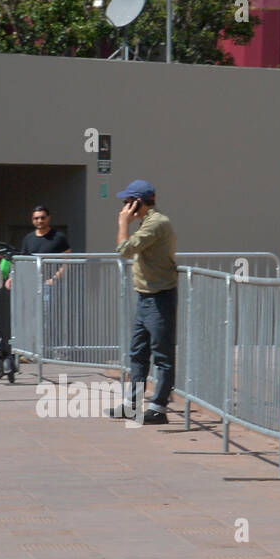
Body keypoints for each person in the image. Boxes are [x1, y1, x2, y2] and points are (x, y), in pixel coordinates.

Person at [107, 180, 177, 425]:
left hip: (160, 297)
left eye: (128, 202)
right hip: (145, 297)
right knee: (138, 353)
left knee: (162, 355)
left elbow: (124, 249)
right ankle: (133, 405)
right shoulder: (147, 223)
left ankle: (158, 408)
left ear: (140, 202)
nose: (125, 207)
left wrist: (122, 223)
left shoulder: (157, 224)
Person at [7, 204, 70, 290]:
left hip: (52, 286)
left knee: (48, 304)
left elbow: (67, 261)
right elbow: (23, 262)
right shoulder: (28, 238)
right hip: (31, 284)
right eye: (36, 218)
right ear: (32, 220)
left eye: (42, 218)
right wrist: (13, 277)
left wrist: (54, 279)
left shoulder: (59, 237)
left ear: (48, 218)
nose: (39, 221)